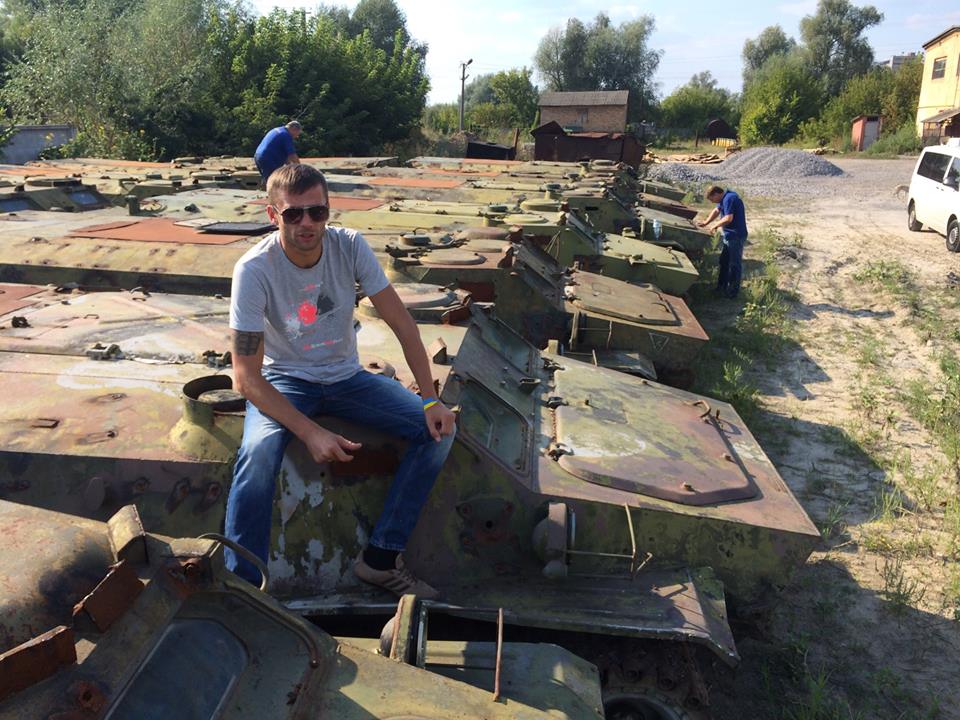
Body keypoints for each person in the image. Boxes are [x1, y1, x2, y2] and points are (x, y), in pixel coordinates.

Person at [225, 163, 457, 598]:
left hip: (347, 378)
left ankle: (380, 559)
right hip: (286, 379)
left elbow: (404, 325)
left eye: (317, 212)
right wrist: (310, 432)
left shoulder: (349, 246)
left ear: (329, 210)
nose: (307, 223)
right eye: (293, 214)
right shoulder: (254, 270)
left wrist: (430, 400)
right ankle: (242, 588)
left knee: (438, 433)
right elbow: (246, 378)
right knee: (257, 456)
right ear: (273, 215)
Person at [698, 185, 748, 299]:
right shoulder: (725, 198)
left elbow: (728, 218)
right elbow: (717, 210)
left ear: (716, 194)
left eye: (711, 199)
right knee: (724, 262)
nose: (712, 202)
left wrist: (715, 225)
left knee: (734, 264)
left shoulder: (729, 198)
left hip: (735, 236)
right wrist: (706, 222)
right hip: (729, 235)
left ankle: (733, 292)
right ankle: (721, 287)